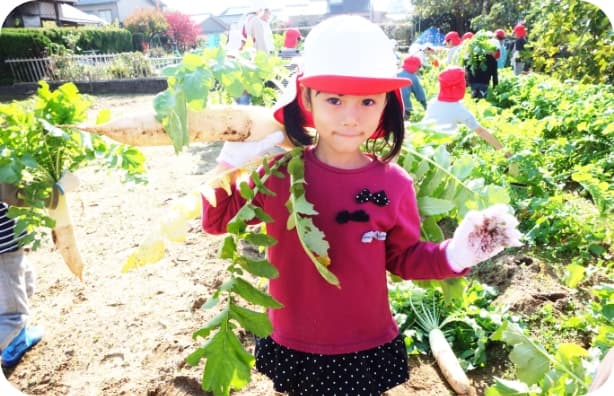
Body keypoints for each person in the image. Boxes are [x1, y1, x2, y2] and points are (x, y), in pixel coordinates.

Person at [201, 15, 522, 395]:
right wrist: (232, 158)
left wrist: (457, 252)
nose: (351, 117)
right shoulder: (277, 173)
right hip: (294, 338)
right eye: (334, 99)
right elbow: (217, 219)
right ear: (307, 99)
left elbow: (403, 259)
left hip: (364, 343)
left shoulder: (394, 184)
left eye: (367, 100)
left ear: (387, 102)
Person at [1, 174, 78, 372]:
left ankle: (18, 339)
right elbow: (13, 194)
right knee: (13, 314)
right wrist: (57, 190)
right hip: (3, 251)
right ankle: (10, 340)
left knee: (25, 283)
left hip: (9, 244)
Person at [422, 66, 506, 151]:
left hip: (420, 140)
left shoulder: (433, 101)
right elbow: (480, 131)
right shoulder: (458, 109)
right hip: (434, 149)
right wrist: (504, 151)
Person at [397, 55, 427, 119]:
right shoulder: (412, 77)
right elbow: (420, 95)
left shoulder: (395, 73)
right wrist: (425, 106)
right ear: (416, 67)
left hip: (390, 106)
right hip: (405, 107)